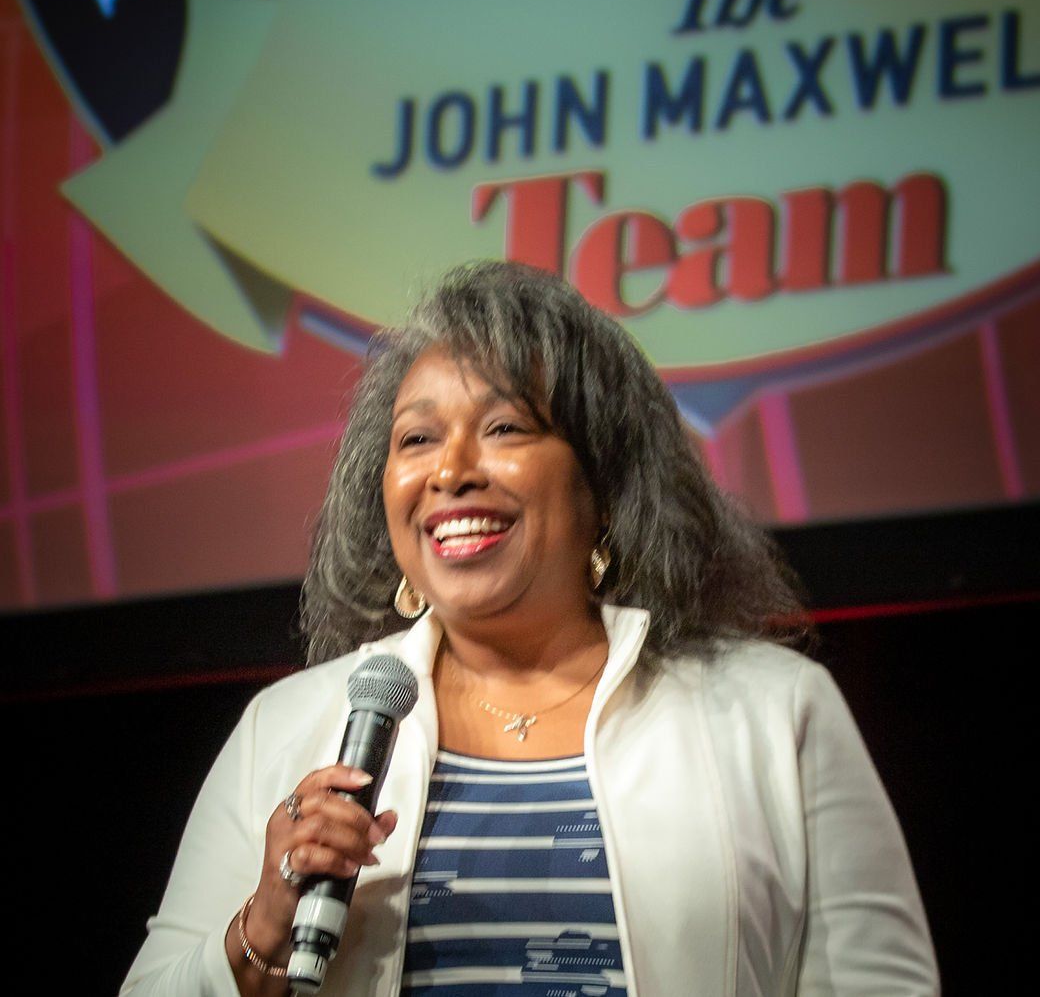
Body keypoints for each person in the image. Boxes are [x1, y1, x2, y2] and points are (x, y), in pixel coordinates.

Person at [122, 261, 939, 996]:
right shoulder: (289, 728)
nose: (449, 471)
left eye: (506, 428)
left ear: (605, 488)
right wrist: (259, 935)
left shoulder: (773, 710)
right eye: (416, 439)